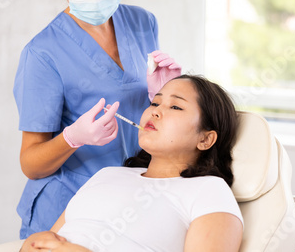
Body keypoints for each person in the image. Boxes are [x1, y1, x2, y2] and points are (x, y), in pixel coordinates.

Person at [13, 0, 181, 238]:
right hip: (67, 209)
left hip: (127, 201)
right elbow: (31, 164)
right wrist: (72, 138)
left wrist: (163, 93)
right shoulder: (42, 53)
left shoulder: (143, 22)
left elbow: (152, 116)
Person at [20, 74, 243, 252]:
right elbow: (52, 238)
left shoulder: (209, 190)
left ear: (205, 139)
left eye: (175, 107)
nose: (156, 111)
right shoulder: (107, 175)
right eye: (155, 102)